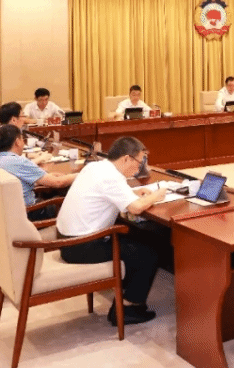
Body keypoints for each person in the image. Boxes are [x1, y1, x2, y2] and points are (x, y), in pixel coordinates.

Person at [56, 136, 166, 326]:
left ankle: (126, 297)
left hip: (66, 239)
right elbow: (135, 208)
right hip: (81, 246)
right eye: (139, 161)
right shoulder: (111, 177)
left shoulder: (96, 167)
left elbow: (108, 193)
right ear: (126, 158)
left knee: (137, 241)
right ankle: (127, 309)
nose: (139, 167)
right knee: (147, 253)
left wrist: (132, 193)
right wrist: (157, 195)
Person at [0, 124, 76, 221]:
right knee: (65, 198)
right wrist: (80, 175)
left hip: (3, 216)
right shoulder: (20, 162)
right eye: (22, 139)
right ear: (17, 142)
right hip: (28, 213)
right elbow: (58, 182)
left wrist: (42, 178)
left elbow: (13, 184)